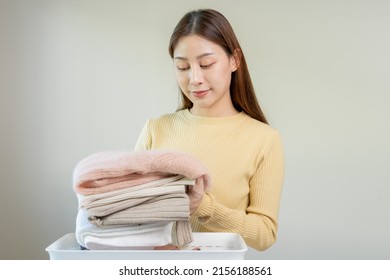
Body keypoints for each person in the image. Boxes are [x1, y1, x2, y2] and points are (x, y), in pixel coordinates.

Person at [134, 9, 284, 251]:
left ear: (234, 60)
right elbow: (127, 212)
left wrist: (204, 207)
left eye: (206, 64)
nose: (194, 78)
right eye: (182, 67)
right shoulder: (156, 129)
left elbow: (264, 235)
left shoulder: (264, 139)